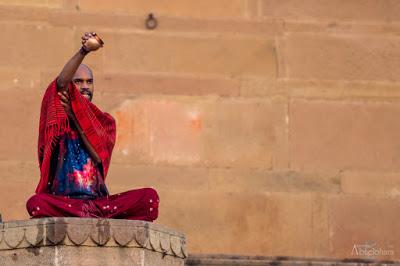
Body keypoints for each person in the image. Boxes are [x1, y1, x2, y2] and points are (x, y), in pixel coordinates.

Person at [26, 32, 159, 221]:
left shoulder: (105, 122)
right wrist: (84, 50)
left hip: (99, 202)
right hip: (64, 201)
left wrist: (74, 116)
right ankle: (92, 214)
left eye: (89, 82)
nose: (85, 86)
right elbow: (61, 82)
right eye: (78, 82)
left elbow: (98, 155)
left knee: (150, 198)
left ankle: (93, 213)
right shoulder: (58, 117)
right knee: (36, 203)